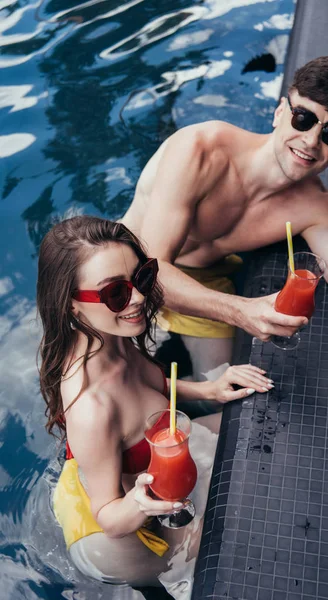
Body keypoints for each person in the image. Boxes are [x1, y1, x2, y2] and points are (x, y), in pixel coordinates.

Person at [121, 54, 328, 385]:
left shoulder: (318, 208)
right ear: (281, 111)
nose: (311, 141)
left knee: (223, 404)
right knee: (116, 397)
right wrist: (240, 310)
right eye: (303, 118)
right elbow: (148, 271)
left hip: (204, 282)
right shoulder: (201, 151)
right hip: (128, 272)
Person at [36, 215, 273, 595]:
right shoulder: (92, 407)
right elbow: (109, 517)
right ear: (72, 305)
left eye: (142, 277)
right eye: (115, 292)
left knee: (249, 430)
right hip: (117, 536)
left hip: (139, 473)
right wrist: (143, 502)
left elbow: (147, 386)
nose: (140, 297)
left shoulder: (109, 335)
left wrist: (209, 389)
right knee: (231, 546)